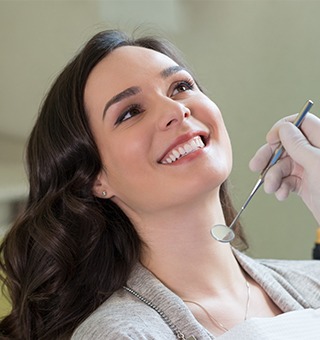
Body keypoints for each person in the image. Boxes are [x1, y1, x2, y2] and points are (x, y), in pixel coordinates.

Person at [0, 29, 319, 340]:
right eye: (130, 113)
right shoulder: (119, 334)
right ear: (96, 179)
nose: (176, 110)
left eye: (180, 86)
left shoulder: (311, 281)